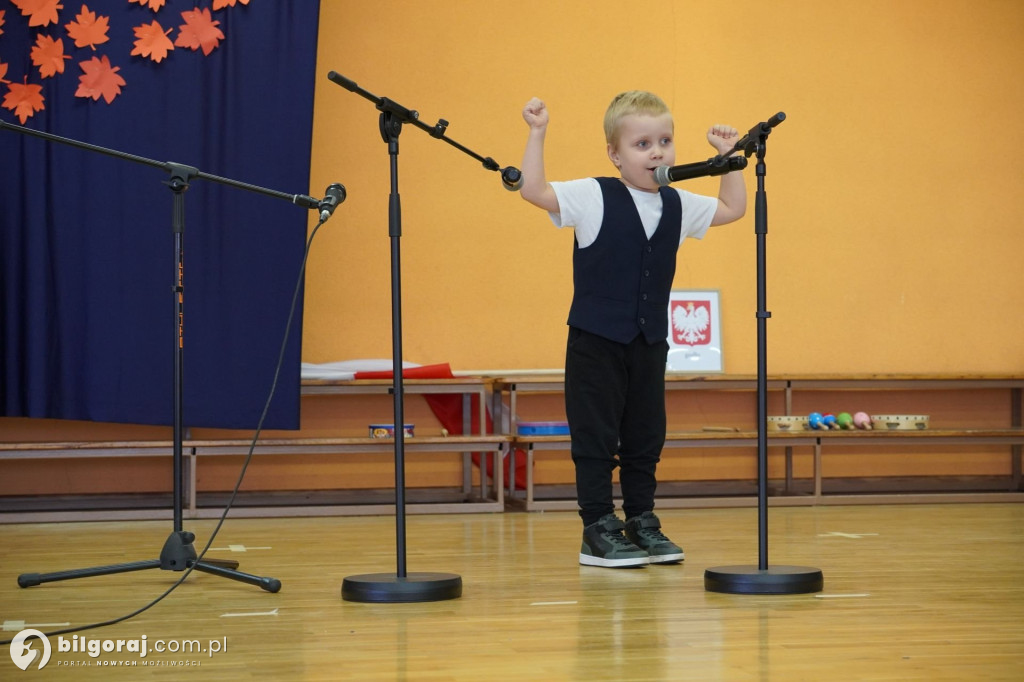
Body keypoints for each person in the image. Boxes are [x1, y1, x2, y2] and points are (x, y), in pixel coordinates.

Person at [519, 91, 747, 568]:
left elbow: (732, 210)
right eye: (643, 144)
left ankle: (642, 519)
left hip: (648, 343)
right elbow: (534, 191)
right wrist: (537, 133)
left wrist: (729, 163)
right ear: (615, 154)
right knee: (596, 436)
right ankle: (598, 527)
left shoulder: (679, 203)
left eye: (664, 140)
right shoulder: (592, 195)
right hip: (595, 342)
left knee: (645, 436)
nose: (657, 152)